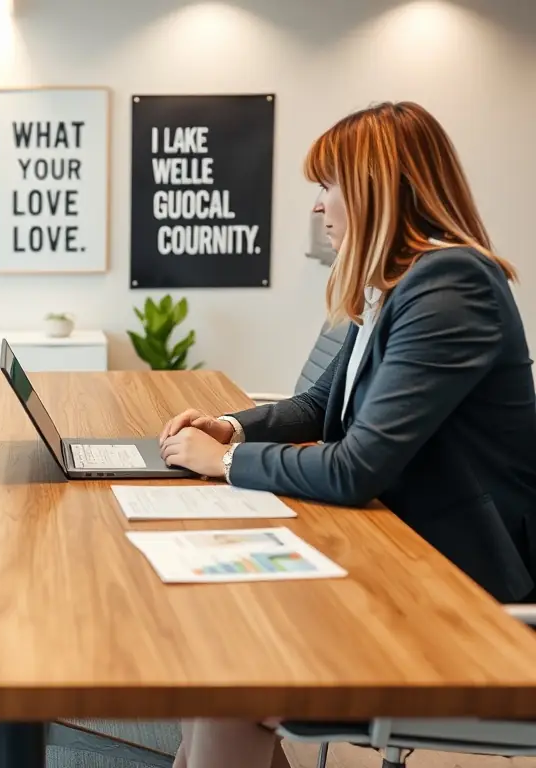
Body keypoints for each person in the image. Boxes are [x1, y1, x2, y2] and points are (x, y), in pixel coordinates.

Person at [159, 101, 536, 768]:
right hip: (396, 554)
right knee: (211, 648)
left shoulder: (451, 287)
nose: (319, 207)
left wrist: (224, 465)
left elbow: (355, 469)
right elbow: (317, 406)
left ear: (375, 190)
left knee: (228, 676)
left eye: (328, 186)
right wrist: (230, 426)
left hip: (464, 594)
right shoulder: (393, 286)